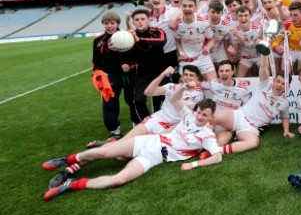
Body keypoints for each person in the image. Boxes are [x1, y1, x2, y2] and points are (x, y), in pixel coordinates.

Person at [42, 86, 223, 201]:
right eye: (199, 112)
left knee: (119, 180)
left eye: (204, 115)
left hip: (155, 157)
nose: (200, 117)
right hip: (149, 142)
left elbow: (217, 157)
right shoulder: (188, 115)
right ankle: (67, 160)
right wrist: (184, 87)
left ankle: (70, 185)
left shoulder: (207, 135)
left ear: (211, 117)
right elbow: (175, 99)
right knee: (104, 153)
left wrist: (193, 164)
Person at [208, 53, 291, 158]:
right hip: (239, 116)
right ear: (274, 81)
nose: (279, 85)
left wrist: (286, 130)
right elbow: (264, 67)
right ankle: (193, 137)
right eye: (278, 81)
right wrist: (265, 54)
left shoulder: (285, 103)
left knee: (253, 143)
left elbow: (285, 117)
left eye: (283, 84)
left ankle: (219, 150)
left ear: (287, 87)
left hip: (251, 128)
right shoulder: (265, 84)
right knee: (214, 116)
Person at [91, 11, 138, 142]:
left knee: (134, 100)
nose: (109, 26)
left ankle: (137, 124)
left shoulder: (127, 36)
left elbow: (136, 55)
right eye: (106, 23)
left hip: (130, 75)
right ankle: (114, 131)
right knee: (109, 103)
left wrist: (130, 64)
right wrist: (97, 74)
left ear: (118, 23)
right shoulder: (98, 41)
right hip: (112, 76)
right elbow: (97, 62)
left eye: (112, 23)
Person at [129, 8, 167, 120]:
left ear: (148, 20)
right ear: (133, 22)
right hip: (143, 73)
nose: (140, 21)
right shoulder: (129, 36)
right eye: (137, 19)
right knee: (138, 100)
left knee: (167, 98)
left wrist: (139, 39)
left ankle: (170, 123)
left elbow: (161, 42)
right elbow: (127, 55)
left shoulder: (158, 31)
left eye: (142, 19)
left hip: (161, 72)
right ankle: (148, 124)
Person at [173, 0, 216, 81]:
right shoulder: (177, 24)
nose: (187, 8)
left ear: (195, 8)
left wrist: (207, 48)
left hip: (202, 57)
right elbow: (177, 41)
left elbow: (211, 39)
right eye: (184, 6)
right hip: (187, 59)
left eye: (190, 6)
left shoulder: (204, 22)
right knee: (185, 86)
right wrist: (181, 52)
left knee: (214, 84)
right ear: (181, 8)